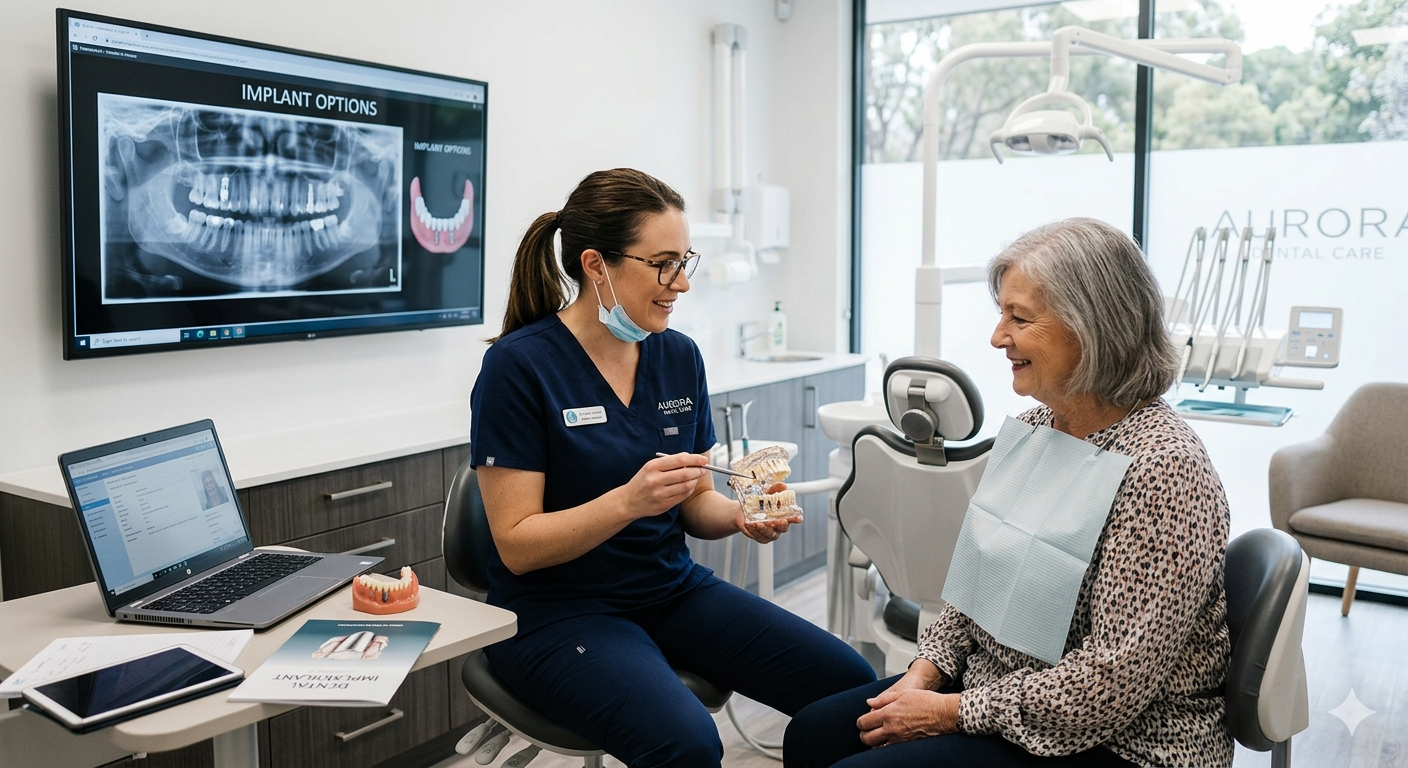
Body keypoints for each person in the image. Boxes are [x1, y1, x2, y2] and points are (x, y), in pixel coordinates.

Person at [784, 218, 1233, 768]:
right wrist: (926, 672)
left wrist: (948, 713)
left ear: (1091, 327)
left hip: (1125, 741)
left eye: (1018, 318)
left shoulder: (1164, 471)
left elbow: (1112, 682)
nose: (998, 337)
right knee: (811, 735)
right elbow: (973, 585)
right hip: (1001, 697)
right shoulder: (1036, 428)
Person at [469, 168, 876, 768]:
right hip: (556, 613)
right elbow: (516, 546)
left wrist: (739, 517)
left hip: (669, 589)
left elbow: (693, 506)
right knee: (685, 745)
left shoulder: (677, 356)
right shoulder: (518, 368)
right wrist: (628, 501)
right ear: (596, 265)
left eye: (684, 260)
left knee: (855, 692)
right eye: (663, 264)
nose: (682, 283)